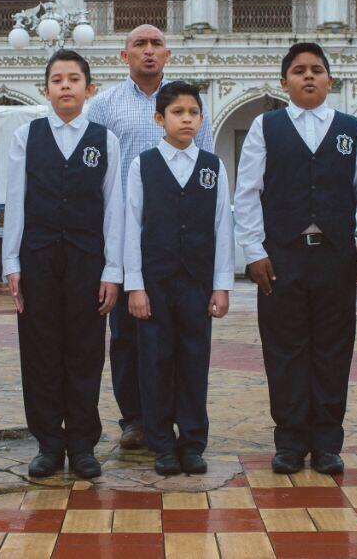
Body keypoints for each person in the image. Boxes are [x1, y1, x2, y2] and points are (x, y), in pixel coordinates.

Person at [234, 41, 357, 475]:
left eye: (317, 70)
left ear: (329, 80)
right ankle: (289, 441)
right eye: (299, 70)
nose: (308, 76)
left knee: (333, 350)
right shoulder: (266, 126)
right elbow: (247, 194)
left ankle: (326, 442)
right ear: (284, 82)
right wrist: (254, 251)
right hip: (281, 257)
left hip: (336, 258)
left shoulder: (350, 128)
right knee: (284, 349)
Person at [85, 23, 214, 451]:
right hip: (123, 235)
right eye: (139, 44)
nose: (148, 51)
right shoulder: (103, 106)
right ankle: (136, 418)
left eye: (156, 43)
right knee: (126, 333)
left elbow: (206, 169)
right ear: (125, 56)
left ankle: (176, 414)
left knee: (177, 332)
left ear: (168, 53)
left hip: (177, 238)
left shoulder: (189, 106)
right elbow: (94, 171)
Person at [2, 49, 122, 480]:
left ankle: (83, 444)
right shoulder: (26, 136)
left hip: (88, 260)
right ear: (46, 89)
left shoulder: (104, 139)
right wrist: (12, 262)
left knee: (86, 351)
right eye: (57, 79)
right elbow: (15, 201)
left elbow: (114, 208)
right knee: (40, 352)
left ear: (89, 89)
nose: (66, 86)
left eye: (74, 79)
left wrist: (113, 270)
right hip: (38, 257)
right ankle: (49, 443)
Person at [124, 81, 233, 477]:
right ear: (160, 119)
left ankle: (192, 442)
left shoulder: (212, 166)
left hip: (197, 282)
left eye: (193, 113)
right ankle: (162, 443)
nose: (186, 119)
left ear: (201, 119)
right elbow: (131, 225)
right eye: (177, 112)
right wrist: (134, 285)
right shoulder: (143, 164)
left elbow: (223, 225)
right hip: (154, 281)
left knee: (193, 360)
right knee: (155, 361)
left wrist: (221, 284)